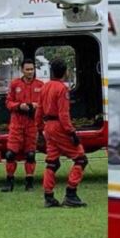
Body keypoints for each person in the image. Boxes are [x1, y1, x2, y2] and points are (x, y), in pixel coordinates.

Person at [37, 58, 88, 208]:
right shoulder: (62, 88)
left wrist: (40, 129)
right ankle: (71, 193)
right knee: (81, 159)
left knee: (52, 161)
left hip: (48, 127)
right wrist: (71, 132)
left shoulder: (44, 87)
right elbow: (63, 114)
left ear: (52, 71)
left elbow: (39, 110)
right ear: (65, 72)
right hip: (59, 127)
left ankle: (48, 196)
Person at [1, 58, 45, 192]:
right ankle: (9, 182)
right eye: (27, 69)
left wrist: (37, 106)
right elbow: (8, 103)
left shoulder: (41, 85)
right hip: (17, 123)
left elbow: (45, 104)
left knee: (31, 154)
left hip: (32, 124)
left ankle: (29, 182)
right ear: (22, 70)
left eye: (32, 69)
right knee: (10, 154)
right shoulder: (15, 84)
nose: (30, 72)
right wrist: (20, 106)